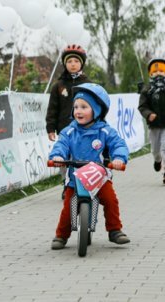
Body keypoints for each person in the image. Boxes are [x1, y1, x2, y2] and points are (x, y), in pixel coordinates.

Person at [49, 83, 130, 250]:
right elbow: (61, 144)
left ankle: (115, 230)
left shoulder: (105, 131)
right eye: (76, 106)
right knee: (68, 207)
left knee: (110, 200)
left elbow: (118, 145)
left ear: (97, 110)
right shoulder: (69, 131)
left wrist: (118, 158)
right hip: (75, 178)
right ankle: (61, 235)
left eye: (84, 107)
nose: (78, 110)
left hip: (98, 177)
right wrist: (57, 156)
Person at [45, 45, 91, 199]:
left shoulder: (88, 84)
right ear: (65, 64)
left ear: (81, 64)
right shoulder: (58, 86)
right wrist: (50, 128)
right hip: (65, 129)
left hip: (85, 129)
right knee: (65, 159)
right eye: (69, 61)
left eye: (76, 61)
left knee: (81, 158)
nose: (72, 64)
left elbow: (96, 107)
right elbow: (52, 108)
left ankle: (83, 185)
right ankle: (67, 185)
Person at [138, 58, 165, 185]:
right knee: (155, 150)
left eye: (162, 71)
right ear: (150, 74)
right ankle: (157, 160)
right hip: (154, 125)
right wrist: (148, 114)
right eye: (155, 71)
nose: (159, 73)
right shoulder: (147, 89)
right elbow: (142, 106)